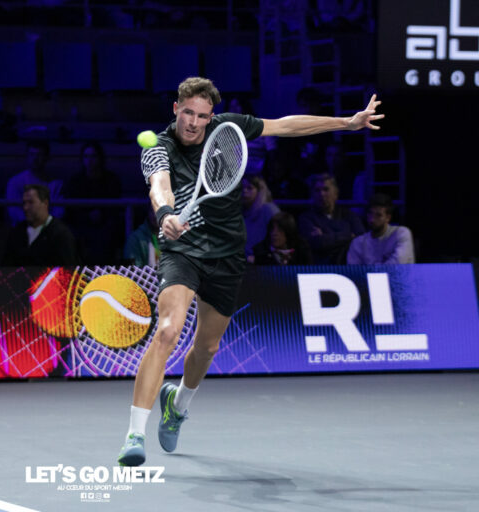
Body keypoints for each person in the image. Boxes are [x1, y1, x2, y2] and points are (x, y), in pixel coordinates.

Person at [117, 76, 384, 466]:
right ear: (176, 109)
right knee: (168, 331)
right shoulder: (159, 146)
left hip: (226, 253)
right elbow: (160, 186)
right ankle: (134, 434)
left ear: (212, 116)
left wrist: (346, 122)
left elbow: (285, 126)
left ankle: (177, 405)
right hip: (183, 250)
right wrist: (167, 214)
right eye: (187, 113)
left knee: (207, 347)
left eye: (202, 116)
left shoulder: (227, 128)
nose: (193, 123)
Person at [63, 142, 123, 264]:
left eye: (93, 156)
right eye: (86, 156)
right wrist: (87, 216)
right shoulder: (75, 181)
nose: (90, 160)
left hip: (105, 225)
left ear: (100, 158)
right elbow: (71, 209)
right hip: (81, 225)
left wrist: (102, 214)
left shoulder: (111, 180)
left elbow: (116, 207)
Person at [297, 173, 365, 264]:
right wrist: (349, 236)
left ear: (336, 193)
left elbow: (361, 238)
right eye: (317, 190)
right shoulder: (306, 218)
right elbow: (318, 243)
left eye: (326, 189)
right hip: (319, 267)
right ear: (312, 194)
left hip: (346, 265)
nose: (321, 194)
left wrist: (325, 236)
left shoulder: (349, 216)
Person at [3, 184, 78, 266]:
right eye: (24, 203)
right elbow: (6, 266)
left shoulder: (60, 234)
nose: (25, 208)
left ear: (45, 203)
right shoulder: (17, 232)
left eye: (31, 202)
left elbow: (68, 268)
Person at [5, 141, 64, 225]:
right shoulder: (15, 182)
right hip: (23, 229)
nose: (35, 158)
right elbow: (14, 211)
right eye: (31, 154)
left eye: (39, 155)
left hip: (49, 229)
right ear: (27, 157)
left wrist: (45, 225)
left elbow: (59, 212)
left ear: (47, 158)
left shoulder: (57, 184)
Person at [347, 193, 414, 264]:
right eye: (370, 213)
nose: (372, 219)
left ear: (388, 218)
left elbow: (398, 263)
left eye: (378, 215)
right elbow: (353, 269)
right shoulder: (358, 243)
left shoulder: (401, 233)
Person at [242, 175, 280, 262]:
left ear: (260, 191)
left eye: (249, 188)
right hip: (244, 261)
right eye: (242, 188)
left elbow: (279, 239)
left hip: (264, 262)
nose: (244, 191)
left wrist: (260, 258)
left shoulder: (269, 210)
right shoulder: (240, 211)